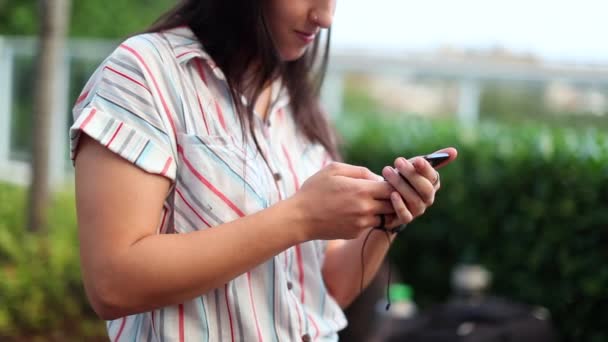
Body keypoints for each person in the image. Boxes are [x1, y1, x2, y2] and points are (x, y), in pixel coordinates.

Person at [70, 0, 457, 340]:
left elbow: (329, 290)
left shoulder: (300, 106)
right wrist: (301, 216)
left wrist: (386, 216)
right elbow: (113, 283)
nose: (325, 16)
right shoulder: (144, 75)